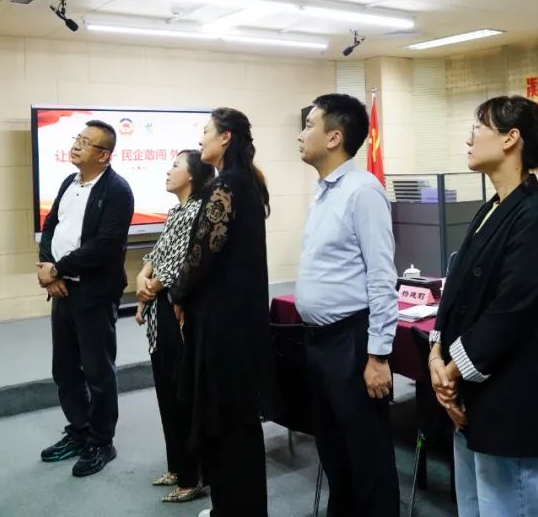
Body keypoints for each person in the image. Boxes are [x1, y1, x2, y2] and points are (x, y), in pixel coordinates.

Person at [429, 96, 538, 516]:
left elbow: (512, 311)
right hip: (472, 397)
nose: (469, 138)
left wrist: (451, 373)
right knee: (474, 506)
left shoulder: (537, 215)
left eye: (478, 128)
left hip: (512, 401)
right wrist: (436, 354)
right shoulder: (490, 208)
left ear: (511, 138)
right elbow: (457, 289)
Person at [294, 93, 399, 517]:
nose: (301, 135)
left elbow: (382, 277)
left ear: (334, 137)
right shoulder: (324, 191)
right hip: (319, 341)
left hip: (351, 342)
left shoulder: (363, 191)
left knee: (366, 454)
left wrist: (378, 355)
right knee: (334, 449)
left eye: (309, 125)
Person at [169, 107, 277, 517]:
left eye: (206, 131)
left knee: (227, 424)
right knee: (235, 423)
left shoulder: (227, 185)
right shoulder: (244, 181)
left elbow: (201, 253)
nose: (201, 140)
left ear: (226, 137)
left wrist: (178, 293)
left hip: (224, 326)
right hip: (238, 322)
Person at [36, 120, 134, 478]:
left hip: (94, 292)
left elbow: (104, 246)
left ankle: (101, 441)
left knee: (97, 371)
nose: (76, 145)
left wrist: (58, 269)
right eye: (76, 138)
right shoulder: (69, 182)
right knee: (63, 369)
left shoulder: (118, 190)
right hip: (63, 289)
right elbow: (51, 226)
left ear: (103, 155)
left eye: (85, 142)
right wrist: (48, 268)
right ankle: (79, 431)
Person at [133, 149, 213, 503]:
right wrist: (142, 275)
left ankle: (193, 475)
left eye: (175, 166)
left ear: (192, 175)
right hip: (159, 308)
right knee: (166, 391)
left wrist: (150, 286)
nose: (168, 171)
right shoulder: (175, 211)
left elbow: (181, 262)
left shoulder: (197, 211)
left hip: (177, 310)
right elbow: (157, 254)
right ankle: (177, 466)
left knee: (182, 394)